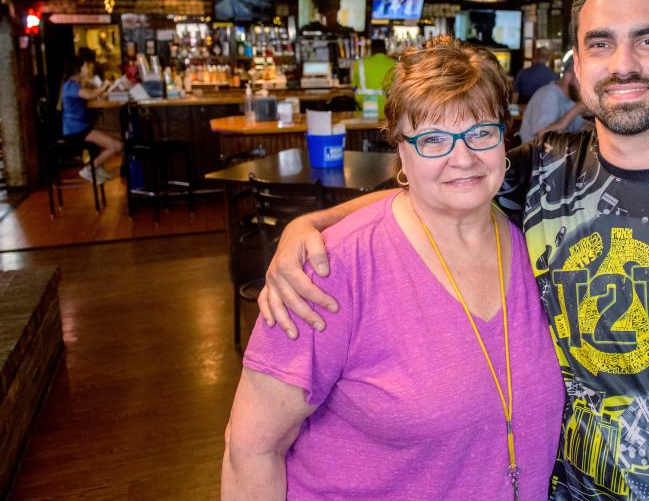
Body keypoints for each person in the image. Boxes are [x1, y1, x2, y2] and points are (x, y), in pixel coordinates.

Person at [260, 0, 649, 500]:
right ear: (579, 66)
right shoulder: (541, 169)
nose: (624, 63)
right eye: (601, 44)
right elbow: (432, 193)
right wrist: (311, 226)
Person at [222, 36, 565, 499]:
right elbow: (251, 449)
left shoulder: (535, 240)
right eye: (432, 140)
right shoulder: (330, 269)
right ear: (400, 151)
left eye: (480, 132)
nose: (461, 158)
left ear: (505, 138)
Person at [59, 53, 122, 183]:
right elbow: (89, 95)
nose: (87, 69)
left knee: (116, 137)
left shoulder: (72, 84)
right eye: (85, 67)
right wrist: (104, 86)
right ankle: (89, 169)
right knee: (116, 146)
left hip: (79, 127)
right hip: (76, 130)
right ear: (77, 70)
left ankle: (97, 169)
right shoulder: (71, 85)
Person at [517, 54, 586, 143]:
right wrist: (576, 110)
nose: (583, 84)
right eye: (580, 78)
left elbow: (582, 126)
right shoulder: (548, 95)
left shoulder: (569, 98)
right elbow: (543, 136)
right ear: (568, 76)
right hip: (535, 155)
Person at [350, 38, 394, 118]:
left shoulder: (360, 64)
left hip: (365, 107)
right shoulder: (395, 64)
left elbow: (353, 87)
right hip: (389, 108)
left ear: (371, 50)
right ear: (385, 49)